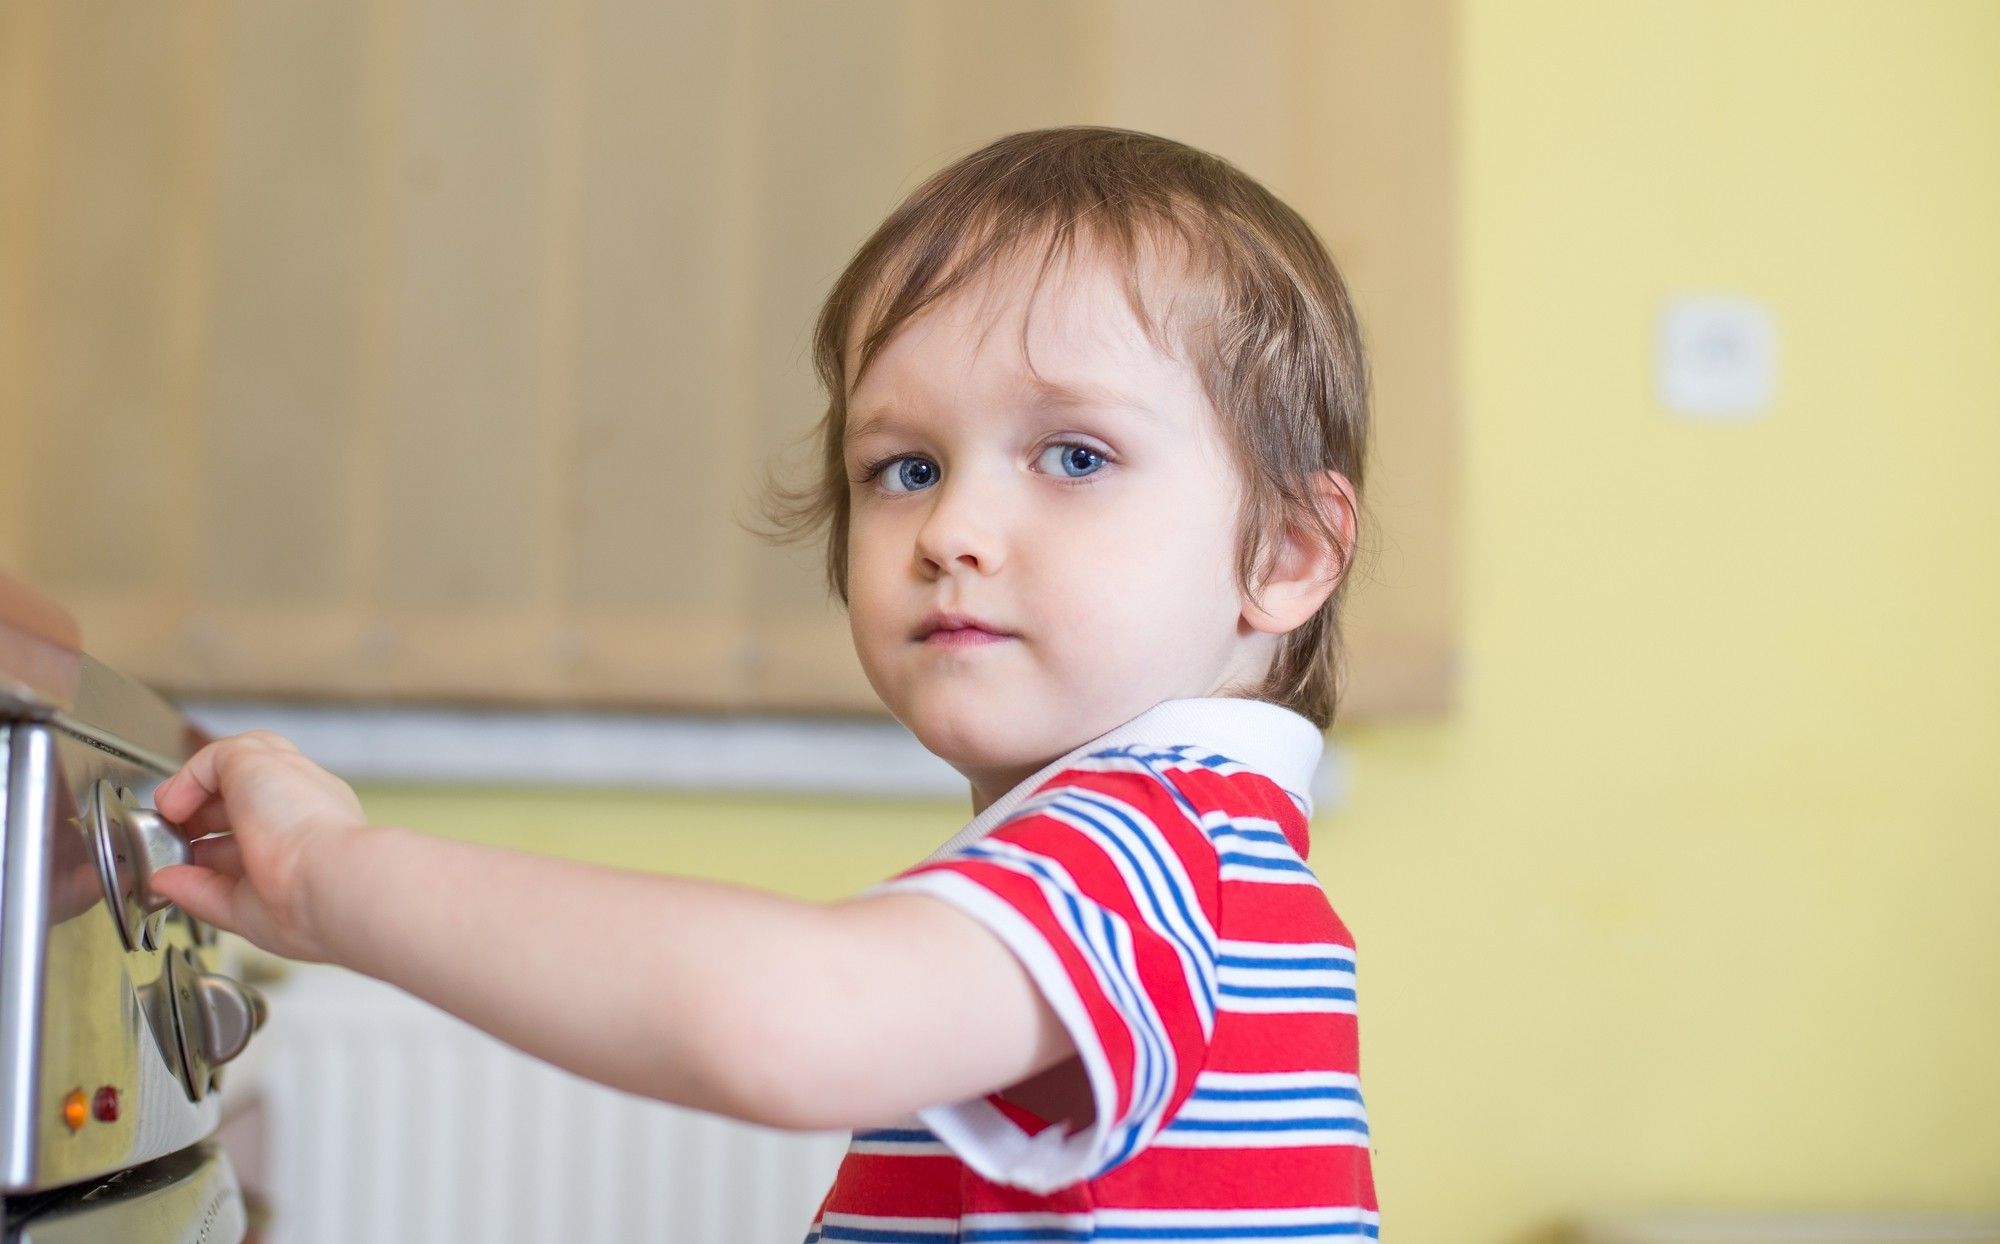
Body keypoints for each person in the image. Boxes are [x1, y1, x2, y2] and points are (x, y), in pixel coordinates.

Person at [150, 125, 1381, 1239]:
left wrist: (331, 879)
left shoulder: (1150, 837)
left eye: (1072, 453)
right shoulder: (1190, 848)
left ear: (1284, 552)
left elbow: (790, 1019)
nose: (952, 525)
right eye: (903, 467)